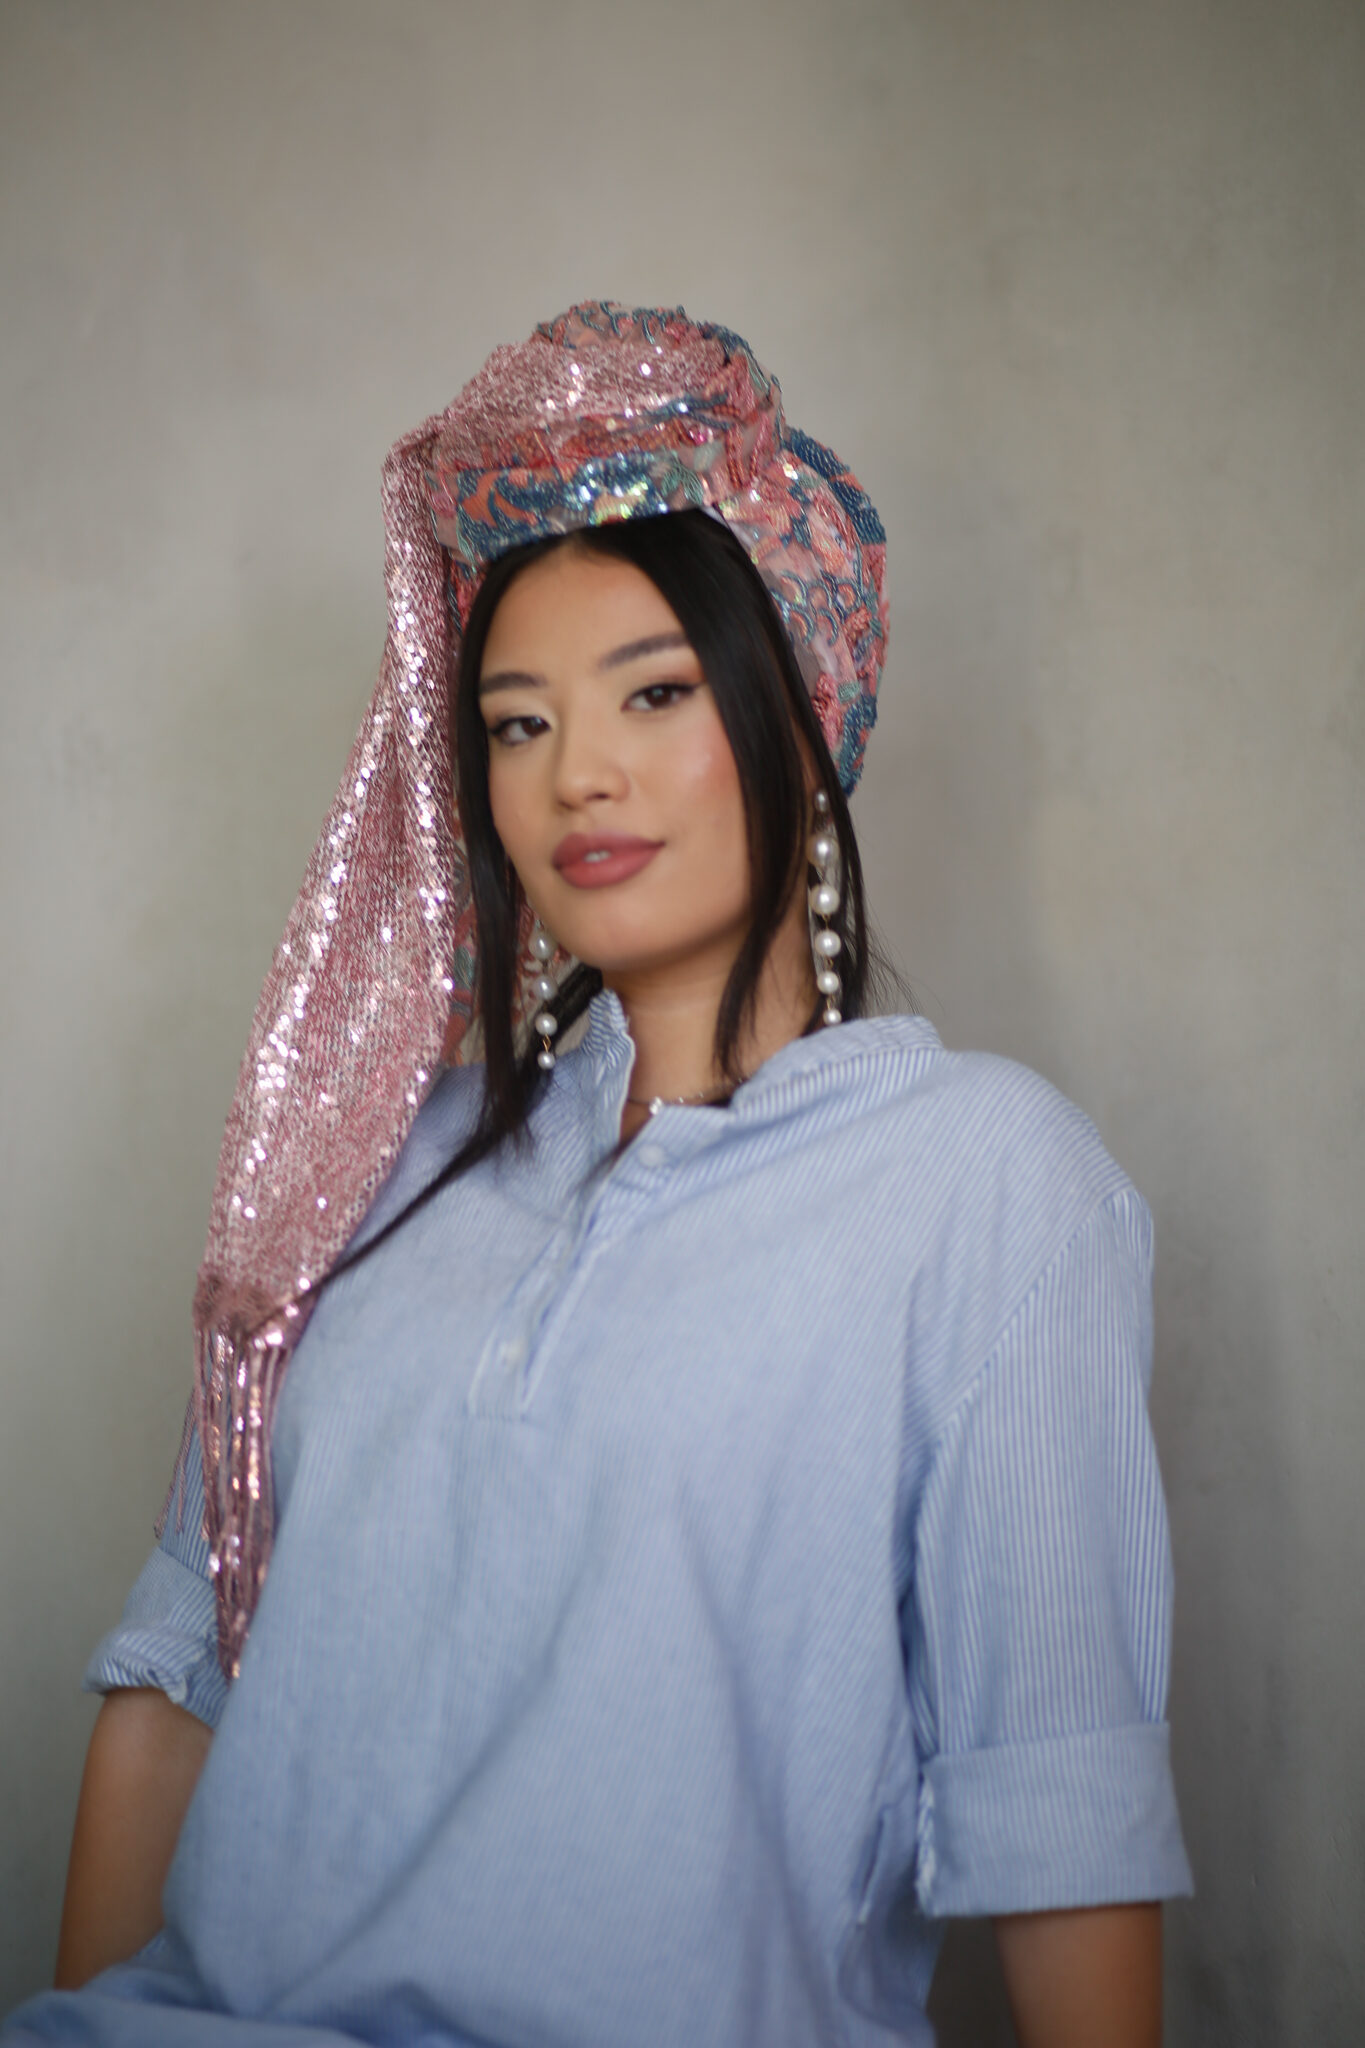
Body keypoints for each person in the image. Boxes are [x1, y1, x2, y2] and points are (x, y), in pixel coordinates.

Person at [7, 304, 1191, 2048]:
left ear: (796, 711)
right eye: (514, 725)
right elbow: (176, 1679)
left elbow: (1054, 1798)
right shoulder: (362, 1158)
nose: (577, 774)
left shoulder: (988, 1185)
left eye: (653, 693)